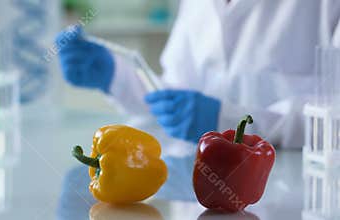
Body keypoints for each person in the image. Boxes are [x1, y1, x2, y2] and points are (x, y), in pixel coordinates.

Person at [56, 0, 340, 156]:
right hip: (199, 194)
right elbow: (175, 100)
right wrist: (114, 76)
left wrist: (227, 122)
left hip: (297, 198)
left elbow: (335, 118)